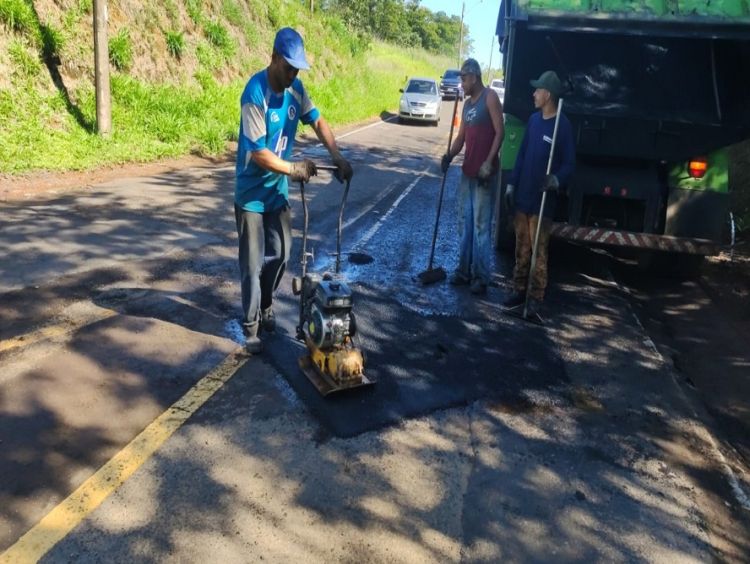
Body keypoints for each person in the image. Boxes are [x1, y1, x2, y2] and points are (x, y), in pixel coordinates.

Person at [235, 27, 353, 353]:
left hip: (277, 192)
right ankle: (251, 328)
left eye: (297, 68)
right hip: (251, 197)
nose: (294, 74)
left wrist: (337, 155)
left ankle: (266, 301)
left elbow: (318, 121)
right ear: (274, 58)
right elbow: (258, 153)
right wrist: (293, 168)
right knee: (252, 262)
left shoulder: (296, 90)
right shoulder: (254, 94)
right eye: (289, 67)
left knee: (284, 254)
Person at [503, 70, 575, 316]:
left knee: (539, 253)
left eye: (538, 90)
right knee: (521, 247)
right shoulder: (534, 121)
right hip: (523, 196)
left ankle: (535, 298)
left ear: (548, 95)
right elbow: (521, 155)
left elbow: (569, 163)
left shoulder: (562, 126)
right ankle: (519, 290)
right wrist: (511, 184)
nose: (533, 94)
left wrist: (556, 179)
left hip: (542, 200)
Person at [440, 58, 504, 295]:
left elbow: (501, 132)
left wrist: (489, 162)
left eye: (464, 78)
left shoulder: (490, 98)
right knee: (464, 224)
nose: (462, 83)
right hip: (467, 173)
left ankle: (481, 276)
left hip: (484, 175)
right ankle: (463, 271)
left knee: (480, 226)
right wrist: (448, 156)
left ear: (475, 77)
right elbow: (461, 138)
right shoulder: (467, 105)